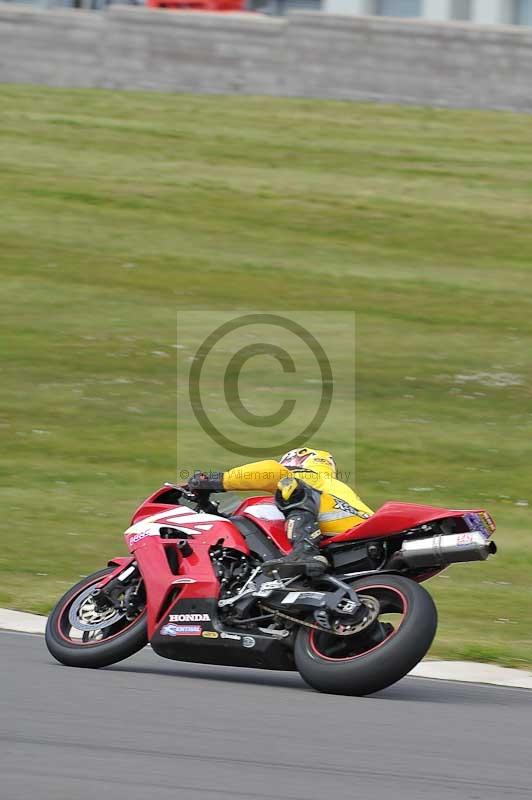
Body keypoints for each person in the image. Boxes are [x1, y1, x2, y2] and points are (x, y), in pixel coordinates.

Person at [187, 447, 373, 577]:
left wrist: (216, 480)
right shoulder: (335, 488)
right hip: (360, 538)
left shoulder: (307, 475)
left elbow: (271, 471)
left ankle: (304, 552)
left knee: (289, 487)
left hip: (345, 536)